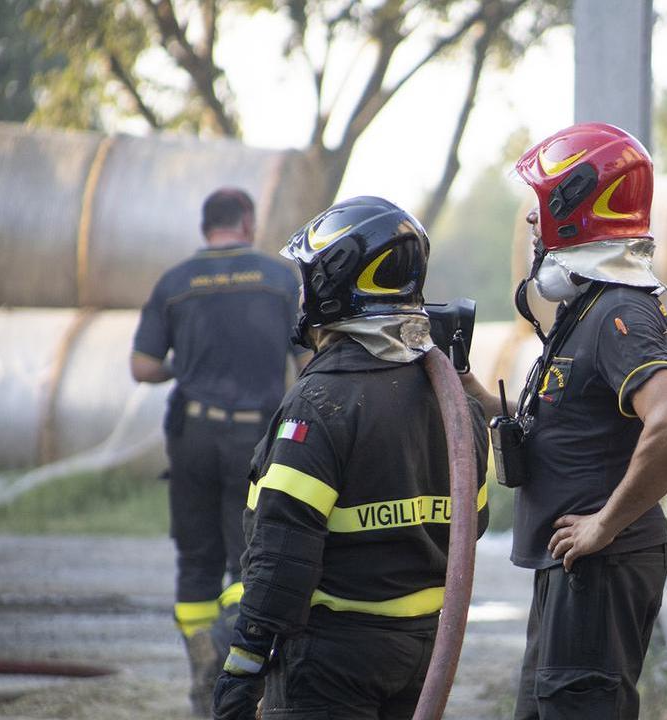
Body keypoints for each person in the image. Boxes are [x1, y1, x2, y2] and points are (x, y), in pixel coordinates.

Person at [210, 196, 490, 720]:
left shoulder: (319, 404)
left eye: (307, 276)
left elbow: (281, 557)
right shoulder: (454, 401)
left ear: (335, 285)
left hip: (330, 663)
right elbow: (471, 525)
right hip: (420, 656)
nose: (300, 293)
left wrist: (242, 670)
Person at [461, 122, 667, 719]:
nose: (531, 224)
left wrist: (604, 526)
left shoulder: (620, 310)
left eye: (541, 207)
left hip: (597, 565)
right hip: (572, 565)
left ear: (577, 211)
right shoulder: (587, 309)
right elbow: (552, 428)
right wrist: (463, 384)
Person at [130, 187, 306, 715]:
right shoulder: (280, 280)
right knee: (246, 557)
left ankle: (200, 664)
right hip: (256, 439)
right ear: (246, 222)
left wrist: (182, 368)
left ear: (207, 225)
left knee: (195, 559)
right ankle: (237, 675)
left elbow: (142, 367)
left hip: (193, 438)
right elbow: (307, 361)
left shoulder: (175, 282)